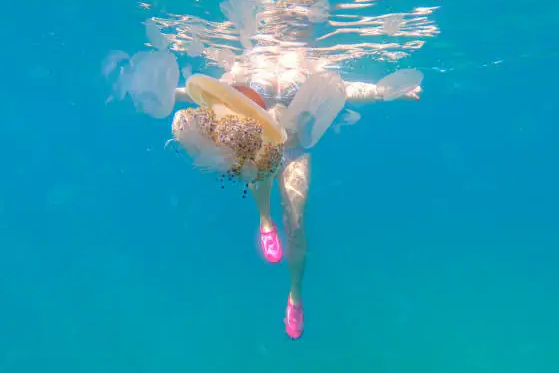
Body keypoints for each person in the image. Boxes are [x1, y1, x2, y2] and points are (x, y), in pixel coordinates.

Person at [173, 68, 421, 339]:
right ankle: (265, 220)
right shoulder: (245, 64)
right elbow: (218, 93)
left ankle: (295, 295)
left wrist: (386, 92)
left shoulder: (310, 63)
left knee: (297, 224)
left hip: (295, 150)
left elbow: (342, 89)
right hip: (260, 146)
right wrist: (170, 94)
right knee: (256, 176)